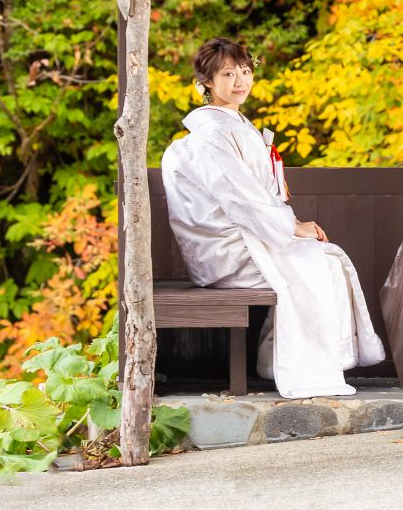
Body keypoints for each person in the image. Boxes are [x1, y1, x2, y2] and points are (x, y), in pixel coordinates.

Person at [160, 37, 386, 398]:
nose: (240, 81)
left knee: (326, 260)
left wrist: (289, 228)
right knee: (320, 263)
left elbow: (250, 195)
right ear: (205, 83)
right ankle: (296, 363)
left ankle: (293, 357)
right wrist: (292, 227)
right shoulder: (211, 134)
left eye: (245, 72)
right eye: (228, 74)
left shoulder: (233, 125)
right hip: (226, 249)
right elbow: (239, 196)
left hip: (246, 237)